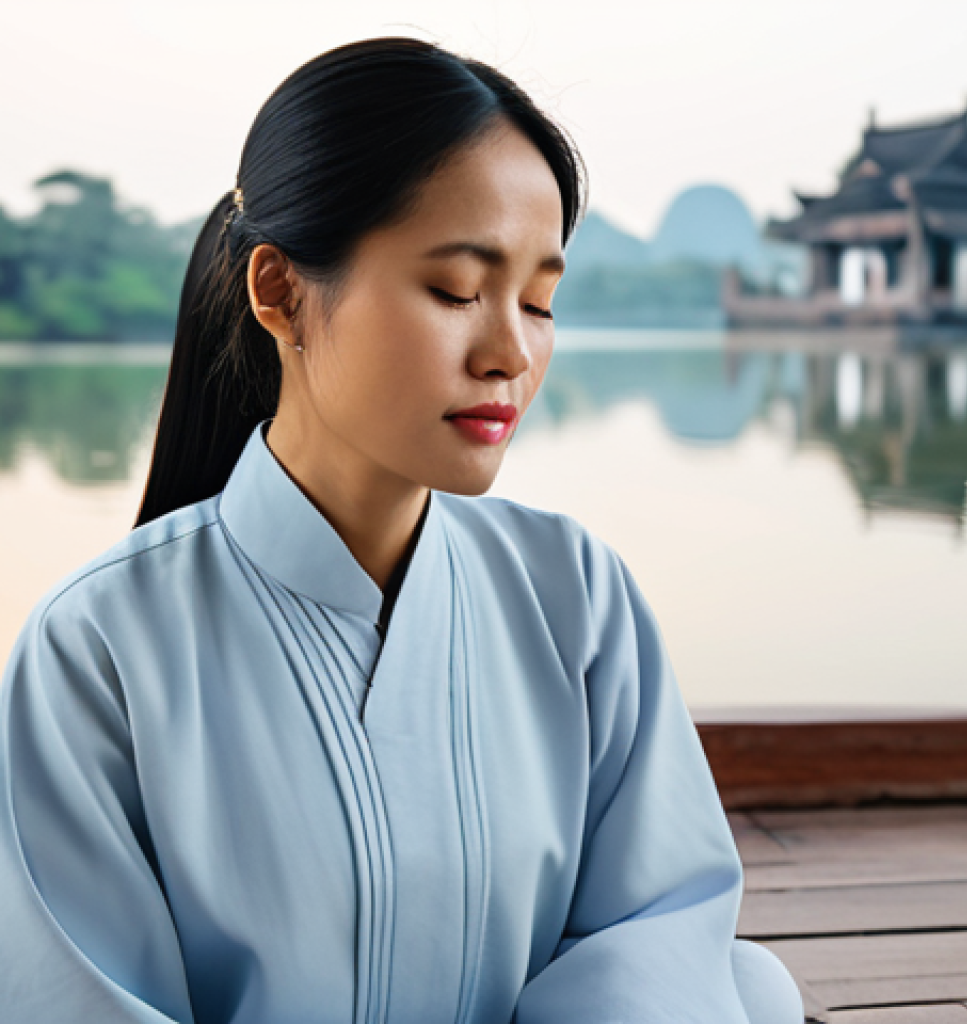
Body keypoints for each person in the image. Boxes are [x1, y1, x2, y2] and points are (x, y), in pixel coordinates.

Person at [0, 37, 803, 1024]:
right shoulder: (96, 648)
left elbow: (657, 929)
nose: (510, 352)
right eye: (457, 290)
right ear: (279, 293)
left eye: (540, 301)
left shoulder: (576, 593)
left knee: (747, 984)